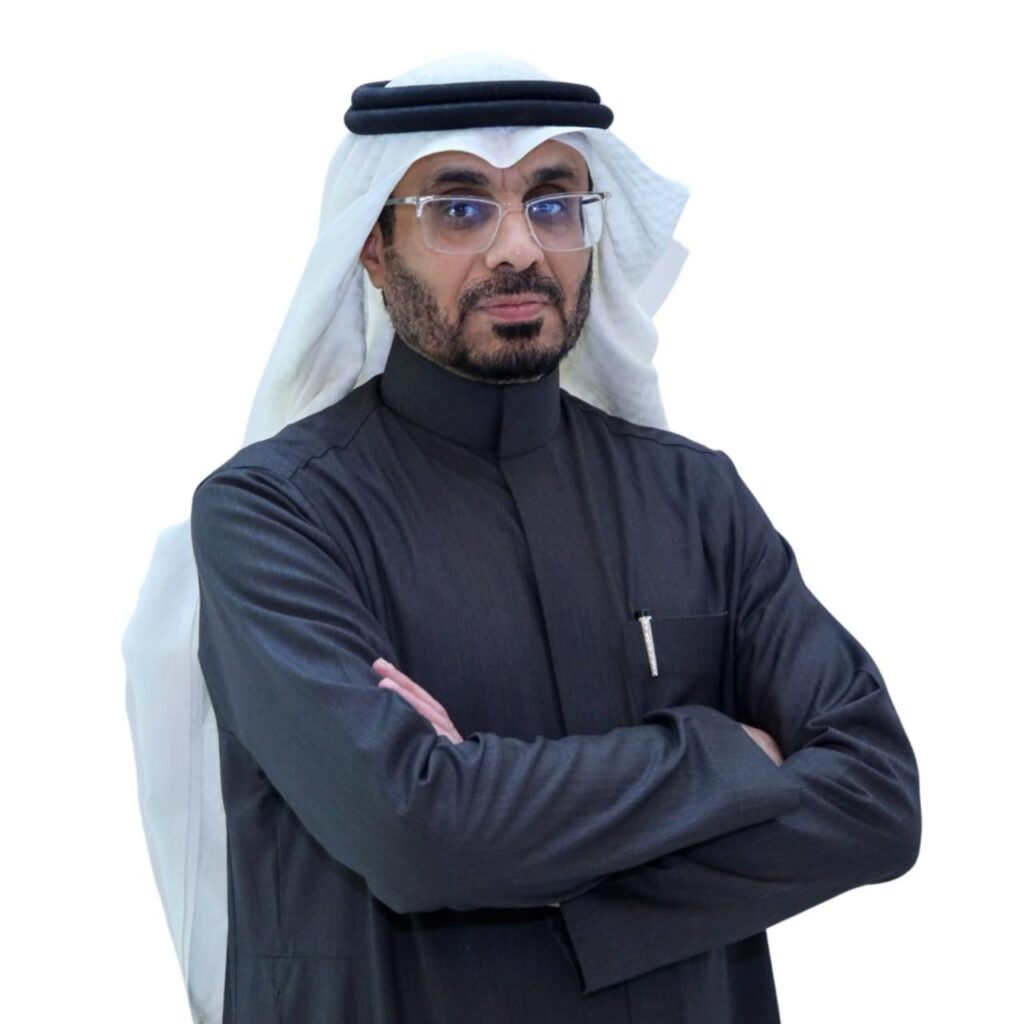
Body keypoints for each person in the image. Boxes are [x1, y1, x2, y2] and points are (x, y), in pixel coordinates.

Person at [124, 54, 920, 1024]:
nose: (518, 249)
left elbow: (878, 798)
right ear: (372, 246)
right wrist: (727, 754)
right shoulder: (273, 517)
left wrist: (521, 850)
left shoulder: (695, 497)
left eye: (552, 205)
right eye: (459, 210)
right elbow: (418, 836)